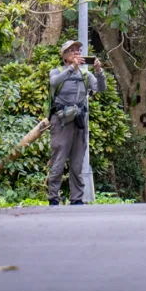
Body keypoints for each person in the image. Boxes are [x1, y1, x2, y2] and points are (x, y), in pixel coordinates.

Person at [47, 39, 106, 206]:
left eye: (78, 50)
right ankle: (53, 197)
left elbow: (100, 89)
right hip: (61, 121)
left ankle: (77, 199)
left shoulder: (86, 75)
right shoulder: (56, 71)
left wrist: (99, 71)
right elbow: (54, 83)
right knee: (58, 160)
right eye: (72, 50)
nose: (77, 53)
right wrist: (72, 68)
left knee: (77, 162)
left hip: (79, 122)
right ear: (65, 56)